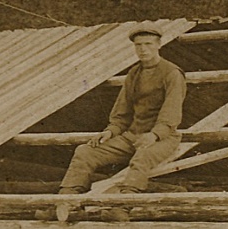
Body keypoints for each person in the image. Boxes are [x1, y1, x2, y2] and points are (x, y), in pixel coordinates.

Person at [58, 26, 186, 198]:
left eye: (148, 44)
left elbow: (171, 114)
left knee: (143, 156)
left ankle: (124, 204)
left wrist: (154, 135)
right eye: (138, 45)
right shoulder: (134, 73)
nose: (143, 49)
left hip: (163, 138)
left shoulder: (171, 73)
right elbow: (122, 113)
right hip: (132, 136)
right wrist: (110, 131)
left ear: (159, 45)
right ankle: (66, 200)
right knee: (85, 151)